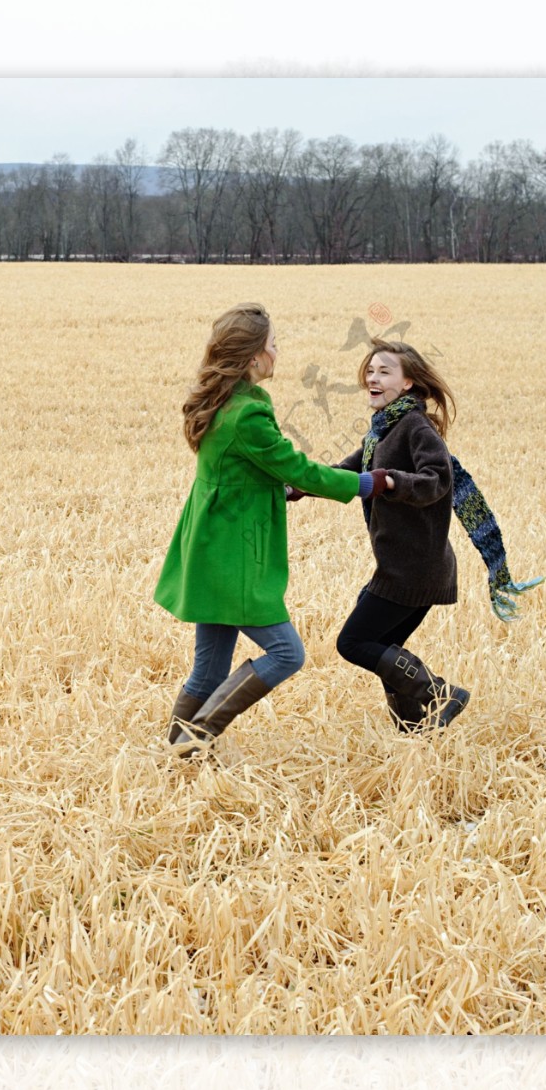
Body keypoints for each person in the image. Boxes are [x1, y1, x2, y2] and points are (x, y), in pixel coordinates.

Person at [153, 304, 384, 759]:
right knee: (287, 654)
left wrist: (275, 487)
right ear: (254, 356)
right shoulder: (248, 417)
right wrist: (364, 483)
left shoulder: (227, 403)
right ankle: (194, 740)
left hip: (211, 546)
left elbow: (244, 472)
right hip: (233, 554)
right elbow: (297, 467)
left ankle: (176, 756)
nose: (278, 353)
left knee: (209, 668)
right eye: (273, 345)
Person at [287, 338, 541, 731]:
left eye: (384, 371)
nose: (373, 377)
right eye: (370, 371)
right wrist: (300, 486)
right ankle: (415, 730)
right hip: (405, 566)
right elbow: (345, 474)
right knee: (386, 650)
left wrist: (388, 481)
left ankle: (440, 695)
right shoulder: (381, 432)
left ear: (407, 383)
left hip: (414, 569)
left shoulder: (416, 428)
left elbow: (437, 480)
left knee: (352, 643)